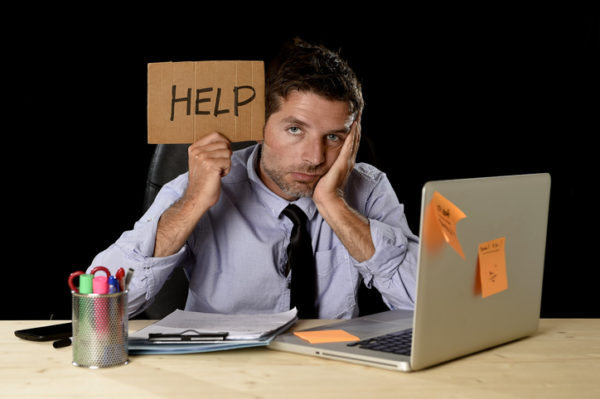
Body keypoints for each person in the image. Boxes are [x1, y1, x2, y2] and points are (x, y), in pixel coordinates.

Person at [89, 38, 419, 319]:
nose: (315, 157)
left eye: (334, 137)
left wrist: (333, 204)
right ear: (259, 125)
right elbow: (100, 309)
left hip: (330, 374)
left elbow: (424, 303)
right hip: (222, 374)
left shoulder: (368, 187)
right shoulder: (198, 186)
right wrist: (193, 203)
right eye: (295, 129)